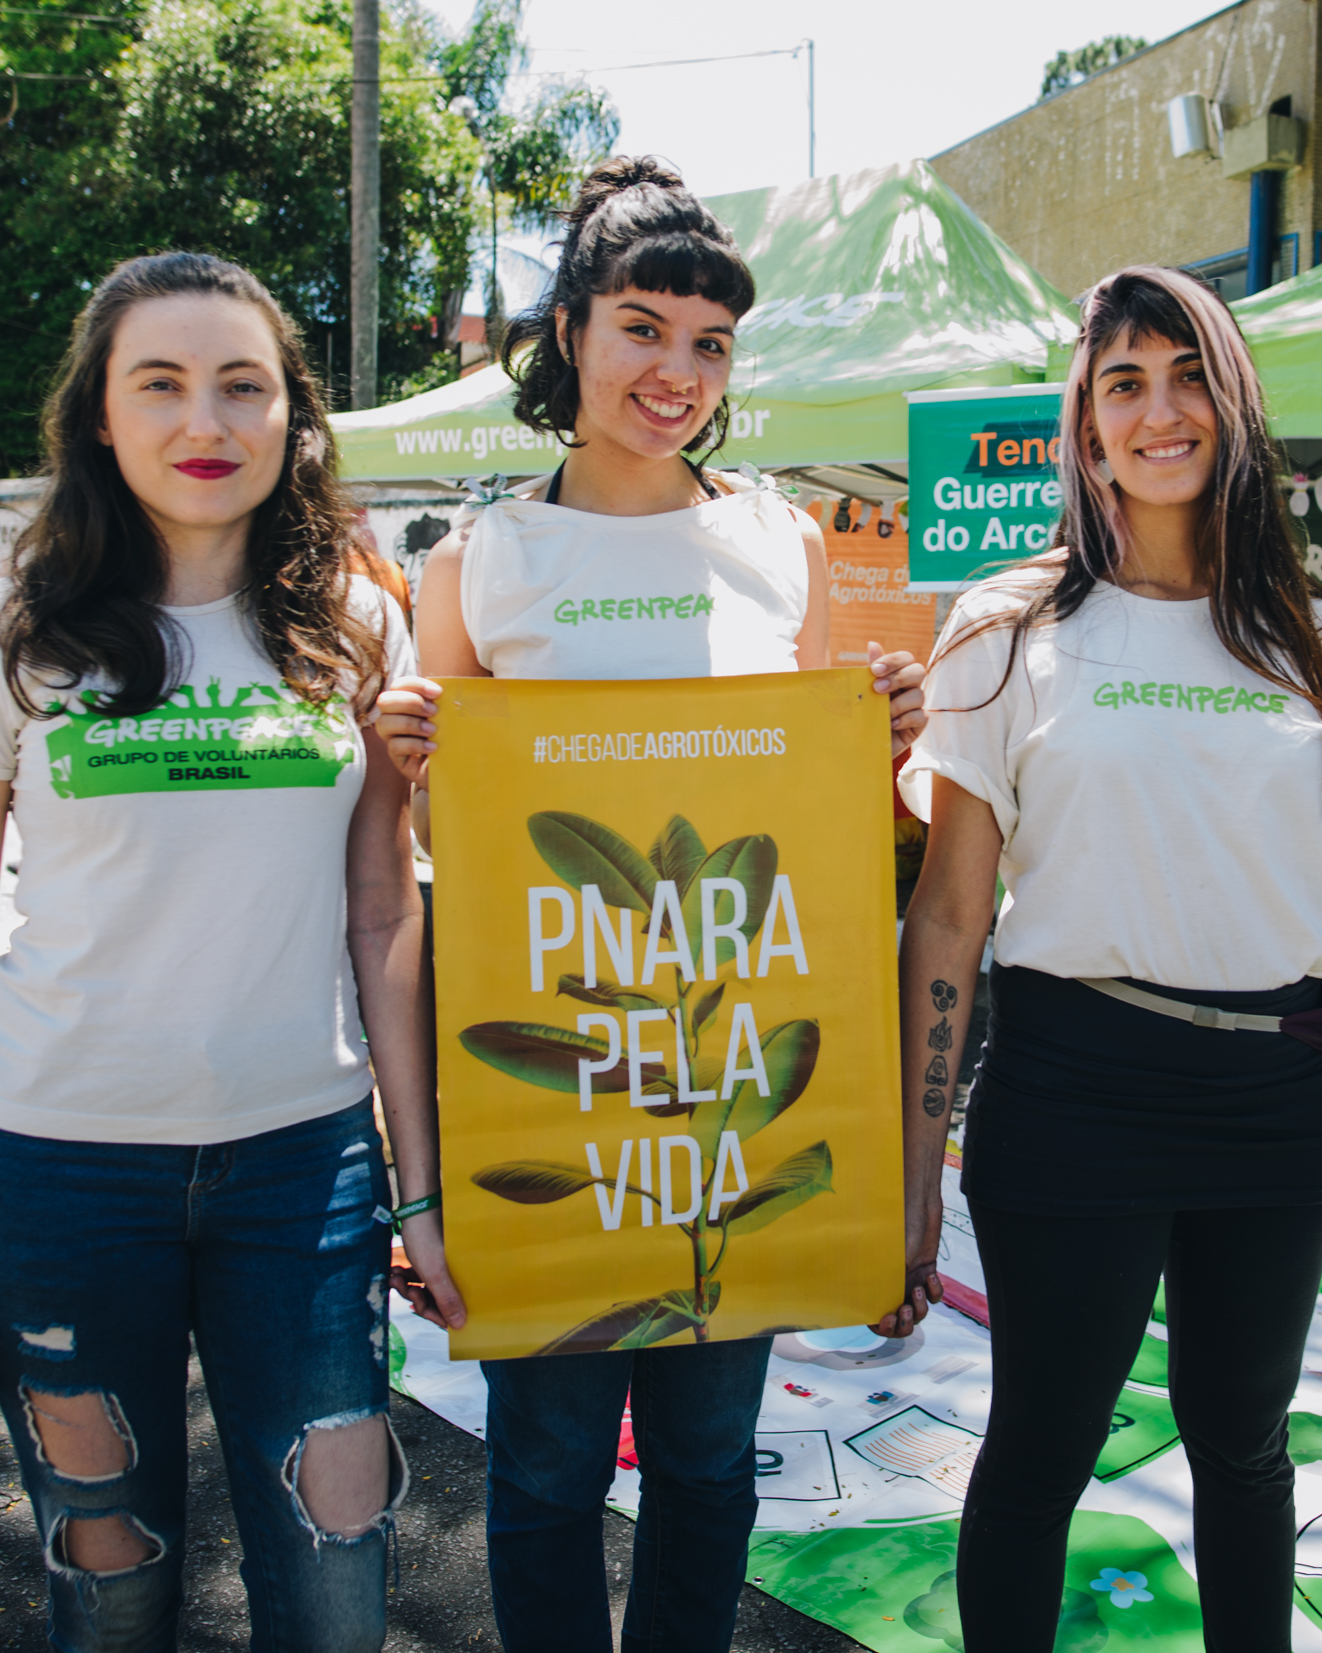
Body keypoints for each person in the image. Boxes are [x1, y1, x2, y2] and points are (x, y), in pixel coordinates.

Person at [371, 157, 930, 1653]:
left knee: (701, 1464)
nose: (675, 373)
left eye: (710, 343)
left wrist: (887, 730)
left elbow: (836, 825)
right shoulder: (478, 558)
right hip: (554, 1088)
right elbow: (451, 864)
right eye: (641, 328)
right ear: (569, 332)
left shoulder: (781, 543)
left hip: (739, 1090)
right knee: (547, 1469)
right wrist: (414, 756)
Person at [0, 251, 463, 1653]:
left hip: (302, 1178)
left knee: (336, 1591)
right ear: (99, 418)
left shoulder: (357, 628)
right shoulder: (3, 633)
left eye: (243, 385)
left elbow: (384, 915)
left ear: (291, 420)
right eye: (163, 384)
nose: (207, 419)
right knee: (112, 1589)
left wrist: (420, 1188)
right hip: (50, 1179)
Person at [887, 265, 1322, 1650]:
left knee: (1245, 1448)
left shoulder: (1312, 640)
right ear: (1084, 430)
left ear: (1233, 403)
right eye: (1124, 383)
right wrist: (913, 1175)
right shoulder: (1006, 626)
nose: (1161, 410)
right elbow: (950, 920)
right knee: (1041, 1453)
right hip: (1073, 1085)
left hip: (1276, 1101)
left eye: (1188, 373)